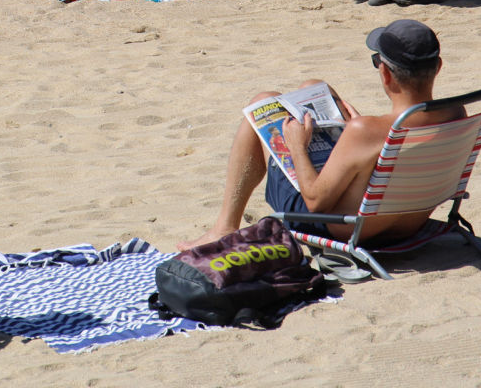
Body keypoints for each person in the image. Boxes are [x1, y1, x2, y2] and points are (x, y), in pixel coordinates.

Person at [177, 19, 463, 250]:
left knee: (263, 100)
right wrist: (361, 127)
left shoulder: (366, 132)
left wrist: (297, 147)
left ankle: (224, 227)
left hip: (346, 226)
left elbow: (315, 203)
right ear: (437, 67)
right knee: (314, 85)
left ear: (385, 74)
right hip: (408, 220)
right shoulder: (456, 115)